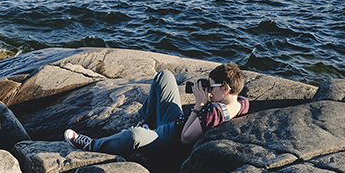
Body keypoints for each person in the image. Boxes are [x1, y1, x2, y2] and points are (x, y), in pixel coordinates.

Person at [64, 63, 249, 157]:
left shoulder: (213, 113)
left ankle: (92, 145)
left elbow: (185, 138)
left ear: (226, 88)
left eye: (212, 85)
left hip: (168, 140)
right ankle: (145, 120)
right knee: (165, 76)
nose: (208, 88)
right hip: (175, 120)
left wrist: (199, 105)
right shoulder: (241, 102)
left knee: (134, 136)